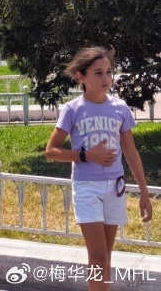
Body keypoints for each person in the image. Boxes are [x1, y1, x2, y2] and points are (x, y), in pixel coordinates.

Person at [45, 47, 152, 291]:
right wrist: (87, 155)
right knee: (98, 257)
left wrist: (144, 193)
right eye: (98, 73)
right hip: (87, 188)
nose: (106, 78)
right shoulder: (73, 109)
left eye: (109, 72)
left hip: (115, 187)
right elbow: (51, 151)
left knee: (106, 257)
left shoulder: (120, 108)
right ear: (81, 77)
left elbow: (131, 152)